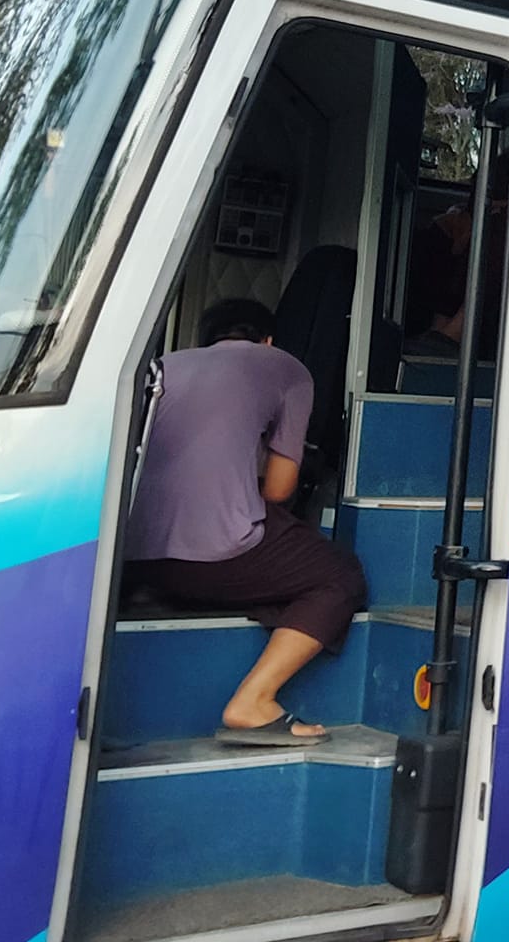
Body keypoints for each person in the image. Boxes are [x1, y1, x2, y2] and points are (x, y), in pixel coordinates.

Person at [124, 298, 367, 744]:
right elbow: (279, 488)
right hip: (215, 559)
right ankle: (254, 700)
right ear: (268, 341)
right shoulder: (288, 369)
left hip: (131, 558)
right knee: (339, 574)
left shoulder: (162, 366)